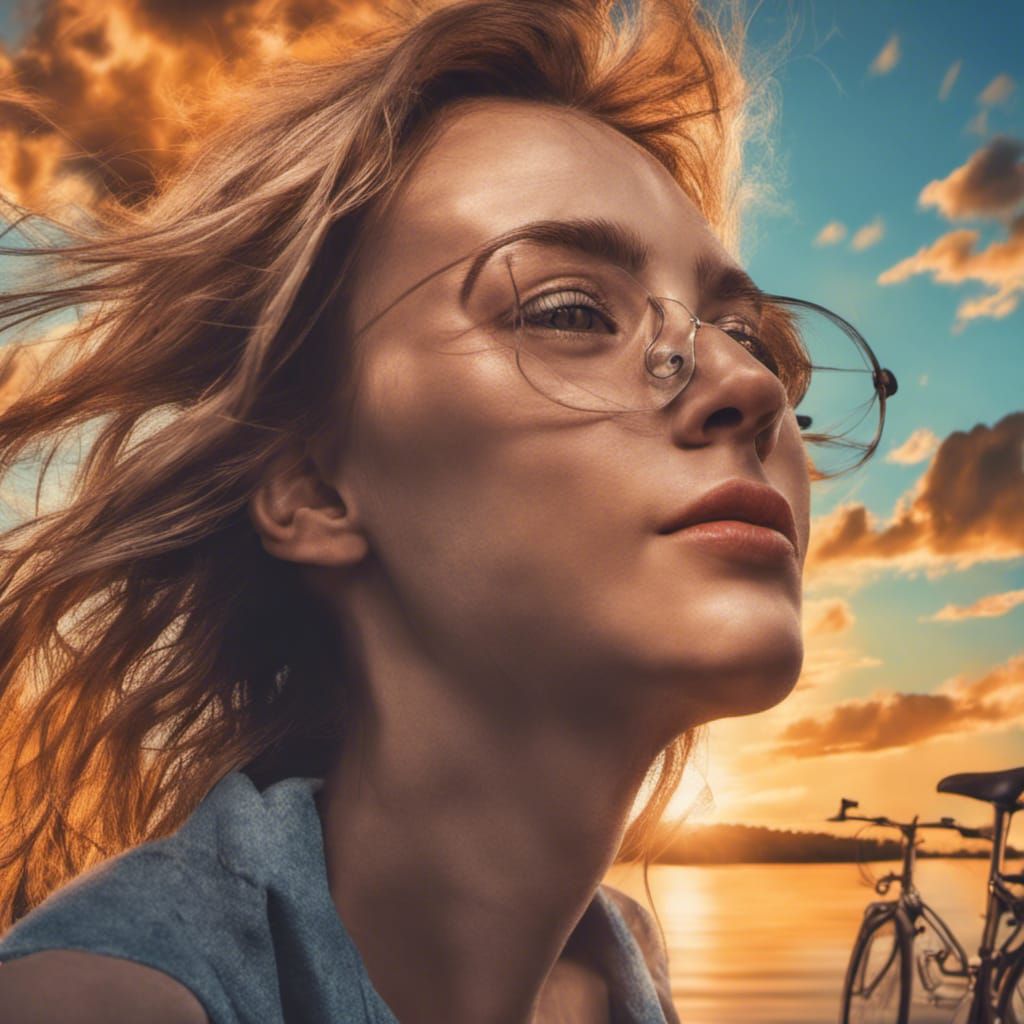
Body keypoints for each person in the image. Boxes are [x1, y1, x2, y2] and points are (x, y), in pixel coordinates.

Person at [0, 0, 896, 1021]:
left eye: (749, 335)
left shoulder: (621, 970)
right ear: (313, 486)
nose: (752, 383)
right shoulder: (102, 999)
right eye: (568, 311)